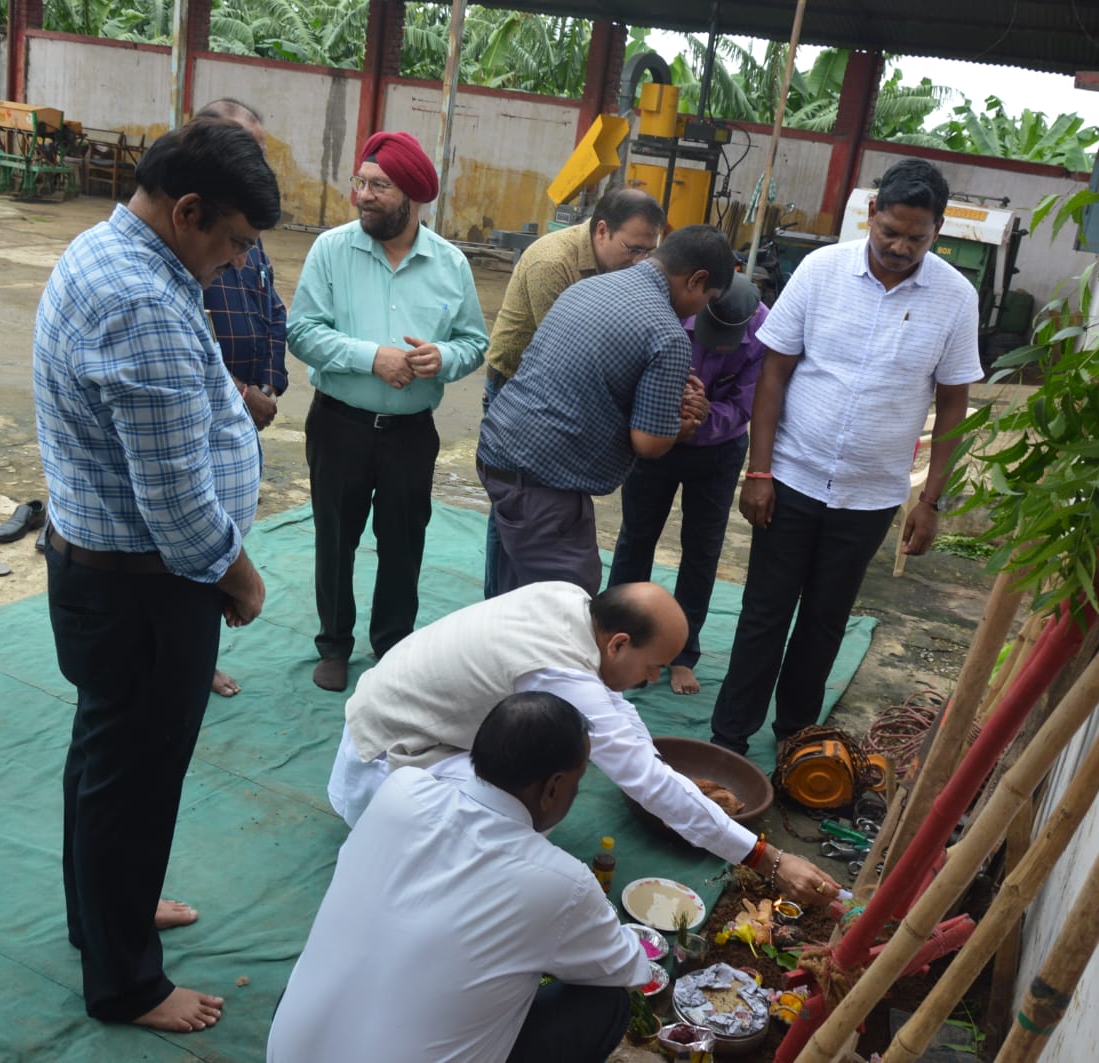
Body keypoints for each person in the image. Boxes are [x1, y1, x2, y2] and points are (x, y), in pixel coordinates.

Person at [32, 118, 279, 1033]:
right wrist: (239, 577)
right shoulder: (138, 297)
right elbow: (176, 502)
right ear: (186, 209)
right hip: (145, 583)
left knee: (107, 762)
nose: (238, 263)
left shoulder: (113, 253)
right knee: (133, 775)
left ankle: (106, 913)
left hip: (109, 569)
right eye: (236, 243)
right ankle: (126, 982)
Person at [327, 580, 841, 907]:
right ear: (618, 642)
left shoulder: (572, 600)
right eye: (651, 666)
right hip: (387, 763)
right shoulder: (558, 669)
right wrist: (765, 859)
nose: (650, 678)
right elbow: (640, 776)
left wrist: (662, 766)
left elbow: (620, 717)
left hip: (399, 727)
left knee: (551, 763)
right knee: (543, 786)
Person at [710, 158, 983, 758]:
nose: (900, 247)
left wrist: (931, 500)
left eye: (917, 237)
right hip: (792, 478)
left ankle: (797, 741)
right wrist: (758, 472)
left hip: (872, 494)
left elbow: (955, 401)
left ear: (938, 231)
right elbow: (773, 371)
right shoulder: (820, 270)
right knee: (764, 612)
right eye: (890, 231)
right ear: (871, 215)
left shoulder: (955, 297)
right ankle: (729, 737)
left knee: (825, 621)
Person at [272, 692, 647, 1063]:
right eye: (577, 782)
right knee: (605, 1000)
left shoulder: (401, 790)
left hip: (289, 1052)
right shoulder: (563, 883)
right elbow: (628, 968)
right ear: (553, 787)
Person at [288, 130, 488, 692]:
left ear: (412, 197)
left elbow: (475, 343)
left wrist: (440, 357)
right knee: (335, 538)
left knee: (404, 542)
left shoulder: (450, 264)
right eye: (361, 182)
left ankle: (393, 647)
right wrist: (371, 357)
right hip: (339, 424)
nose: (364, 196)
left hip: (409, 434)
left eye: (379, 186)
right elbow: (301, 332)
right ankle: (333, 644)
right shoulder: (332, 249)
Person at [476, 225, 736, 596]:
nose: (701, 311)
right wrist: (678, 422)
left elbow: (590, 374)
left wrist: (660, 394)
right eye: (708, 298)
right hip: (543, 481)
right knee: (565, 605)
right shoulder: (668, 333)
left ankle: (502, 650)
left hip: (501, 451)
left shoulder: (590, 287)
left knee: (515, 596)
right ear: (696, 280)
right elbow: (649, 444)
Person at [479, 186, 665, 596]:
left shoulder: (618, 270)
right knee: (513, 505)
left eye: (650, 252)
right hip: (518, 390)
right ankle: (498, 601)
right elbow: (573, 356)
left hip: (560, 387)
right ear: (601, 231)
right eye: (634, 249)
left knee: (545, 506)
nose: (642, 263)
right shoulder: (553, 262)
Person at [607, 274, 768, 696]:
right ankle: (616, 640)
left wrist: (700, 417)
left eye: (726, 340)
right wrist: (671, 414)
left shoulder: (763, 331)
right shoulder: (671, 315)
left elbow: (743, 407)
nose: (715, 348)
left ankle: (682, 655)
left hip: (718, 450)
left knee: (702, 549)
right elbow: (635, 378)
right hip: (657, 437)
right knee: (636, 538)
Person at [195, 97, 290, 700]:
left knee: (222, 535)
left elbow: (274, 311)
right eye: (241, 147)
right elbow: (187, 347)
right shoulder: (191, 238)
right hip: (206, 416)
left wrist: (270, 384)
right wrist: (239, 393)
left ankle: (198, 651)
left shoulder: (247, 236)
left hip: (246, 413)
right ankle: (191, 659)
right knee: (198, 540)